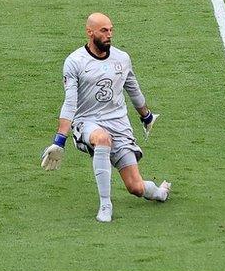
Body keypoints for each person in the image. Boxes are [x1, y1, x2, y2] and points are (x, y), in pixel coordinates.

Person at [40, 12, 170, 223]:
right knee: (102, 139)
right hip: (87, 122)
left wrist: (146, 116)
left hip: (119, 125)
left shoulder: (122, 59)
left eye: (111, 29)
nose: (109, 34)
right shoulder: (75, 62)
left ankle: (159, 192)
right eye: (104, 30)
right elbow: (70, 102)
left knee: (135, 187)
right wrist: (59, 141)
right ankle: (105, 205)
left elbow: (133, 90)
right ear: (89, 32)